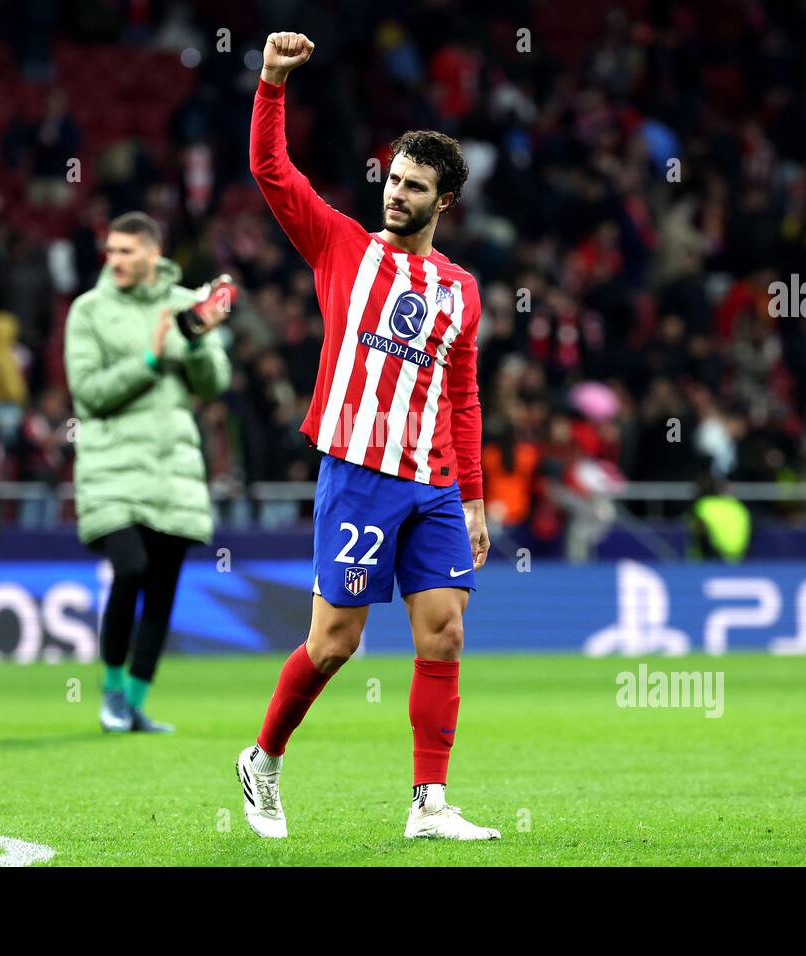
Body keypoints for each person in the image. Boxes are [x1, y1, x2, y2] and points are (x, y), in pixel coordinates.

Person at [237, 32, 495, 841]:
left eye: (415, 187)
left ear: (443, 202)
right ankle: (264, 759)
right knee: (334, 643)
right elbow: (272, 173)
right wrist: (273, 84)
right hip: (357, 474)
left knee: (445, 631)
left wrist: (476, 500)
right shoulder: (340, 247)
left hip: (434, 484)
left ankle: (429, 804)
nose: (396, 194)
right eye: (393, 179)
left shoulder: (459, 291)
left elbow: (463, 395)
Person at [64, 211, 235, 734]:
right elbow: (88, 394)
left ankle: (135, 702)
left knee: (162, 589)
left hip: (174, 470)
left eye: (125, 251)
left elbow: (215, 385)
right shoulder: (88, 311)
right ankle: (112, 693)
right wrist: (150, 358)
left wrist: (200, 338)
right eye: (110, 250)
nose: (113, 259)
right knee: (131, 569)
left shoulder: (185, 303)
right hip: (112, 468)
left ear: (153, 255)